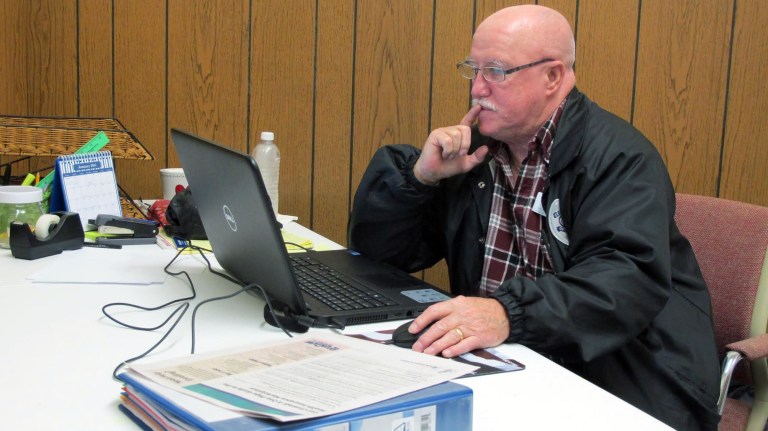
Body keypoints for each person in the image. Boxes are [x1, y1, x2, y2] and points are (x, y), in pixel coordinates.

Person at [348, 5, 720, 430]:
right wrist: (421, 179)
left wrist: (508, 314)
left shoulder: (619, 158)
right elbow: (380, 256)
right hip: (511, 363)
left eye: (497, 72)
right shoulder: (476, 153)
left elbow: (623, 282)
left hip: (622, 376)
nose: (478, 90)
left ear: (553, 77)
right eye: (474, 69)